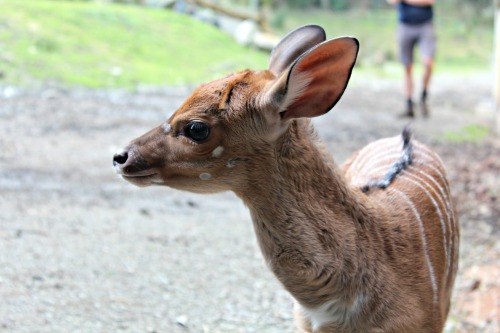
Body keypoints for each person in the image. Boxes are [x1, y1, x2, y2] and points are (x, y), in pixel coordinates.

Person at [387, 0, 436, 118]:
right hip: (405, 25)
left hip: (425, 25)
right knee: (407, 66)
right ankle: (409, 104)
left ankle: (423, 97)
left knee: (428, 62)